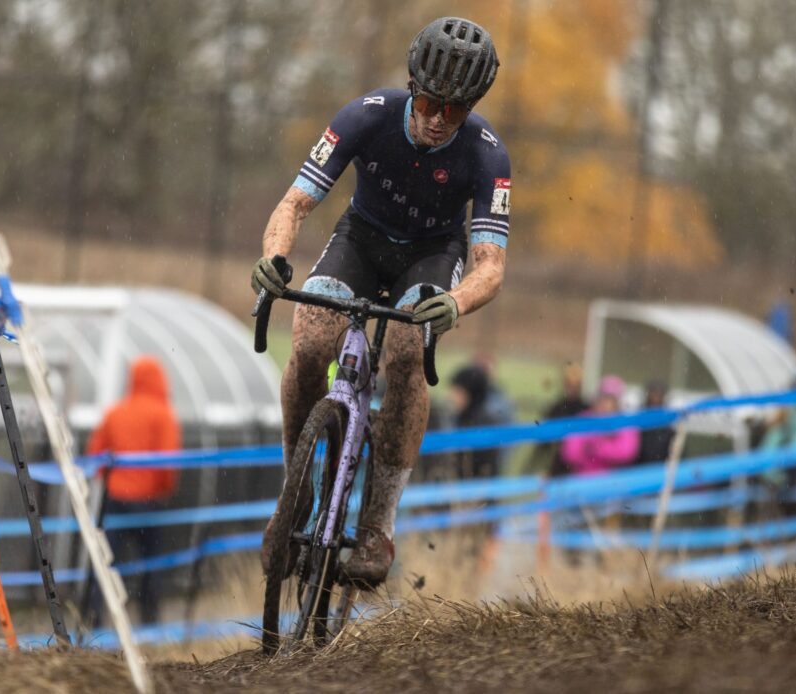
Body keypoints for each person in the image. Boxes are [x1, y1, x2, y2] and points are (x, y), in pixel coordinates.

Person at [251, 17, 509, 586]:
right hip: (360, 241)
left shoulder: (488, 155)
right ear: (413, 84)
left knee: (403, 356)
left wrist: (458, 304)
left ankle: (377, 524)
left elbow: (491, 266)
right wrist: (274, 259)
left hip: (433, 254)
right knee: (312, 340)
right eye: (433, 101)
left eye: (457, 109)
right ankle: (293, 495)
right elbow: (294, 204)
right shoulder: (364, 115)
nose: (441, 118)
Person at [85, 355, 181, 625]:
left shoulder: (115, 412)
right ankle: (149, 621)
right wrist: (163, 490)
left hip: (114, 500)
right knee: (151, 563)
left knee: (105, 562)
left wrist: (112, 479)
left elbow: (95, 455)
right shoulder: (163, 415)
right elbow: (168, 462)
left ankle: (93, 618)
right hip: (149, 502)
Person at [559, 376, 640, 475]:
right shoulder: (583, 418)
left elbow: (627, 452)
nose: (605, 403)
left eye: (610, 399)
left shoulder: (624, 422)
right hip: (583, 479)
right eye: (603, 398)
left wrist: (597, 448)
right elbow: (570, 453)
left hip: (615, 482)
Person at [448, 365, 501, 479]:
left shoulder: (482, 424)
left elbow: (477, 468)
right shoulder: (462, 418)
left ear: (471, 394)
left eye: (458, 392)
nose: (451, 397)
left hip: (474, 492)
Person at [634, 379, 673, 465]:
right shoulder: (638, 418)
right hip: (637, 469)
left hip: (659, 470)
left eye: (659, 395)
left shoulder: (668, 422)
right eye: (653, 394)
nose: (656, 398)